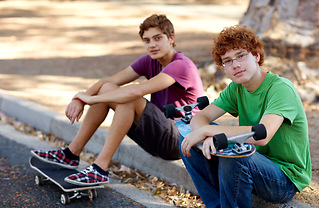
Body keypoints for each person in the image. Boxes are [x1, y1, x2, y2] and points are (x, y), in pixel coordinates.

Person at [31, 14, 204, 186]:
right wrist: (80, 98)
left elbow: (137, 90)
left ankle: (100, 168)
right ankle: (70, 154)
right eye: (147, 40)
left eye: (157, 38)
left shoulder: (182, 65)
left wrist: (92, 99)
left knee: (129, 97)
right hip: (157, 137)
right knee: (109, 89)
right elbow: (107, 82)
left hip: (181, 140)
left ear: (171, 38)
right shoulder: (150, 61)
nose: (152, 45)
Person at [180, 25, 311, 208]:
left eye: (241, 56)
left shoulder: (280, 88)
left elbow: (263, 134)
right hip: (256, 166)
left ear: (256, 55)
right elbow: (199, 118)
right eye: (228, 61)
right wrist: (203, 132)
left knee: (236, 150)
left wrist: (207, 132)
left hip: (284, 178)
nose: (235, 65)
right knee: (186, 137)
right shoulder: (236, 88)